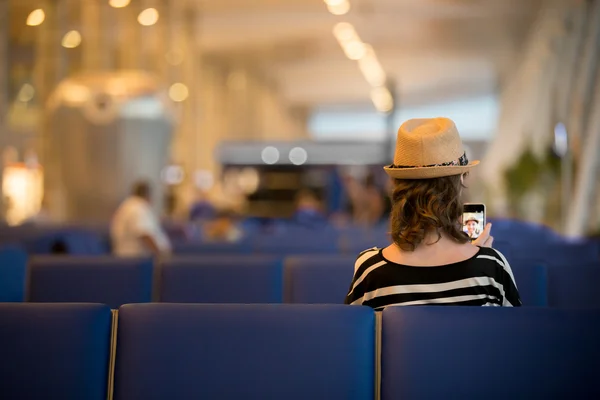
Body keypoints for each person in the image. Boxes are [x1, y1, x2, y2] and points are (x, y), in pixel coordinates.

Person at [345, 117, 521, 308]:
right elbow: (511, 336)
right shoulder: (492, 269)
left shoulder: (371, 270)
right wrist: (478, 259)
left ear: (396, 187)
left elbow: (353, 334)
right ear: (460, 182)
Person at [110, 181, 171, 257]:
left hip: (133, 259)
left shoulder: (128, 205)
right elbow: (145, 234)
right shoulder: (137, 208)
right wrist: (160, 255)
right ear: (148, 195)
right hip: (136, 261)